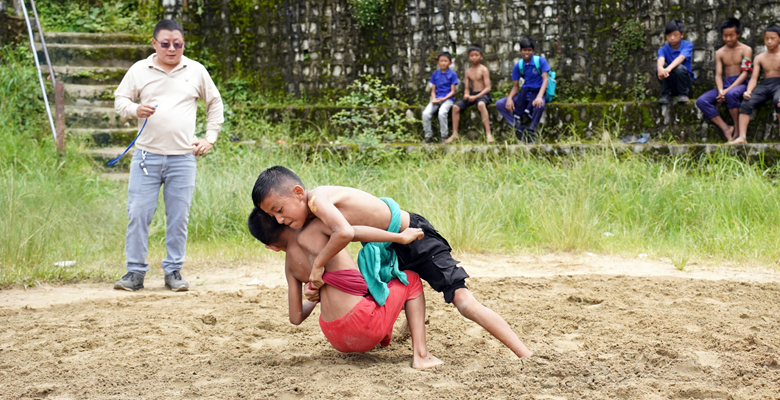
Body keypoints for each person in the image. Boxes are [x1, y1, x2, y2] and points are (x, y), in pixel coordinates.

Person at [252, 166, 533, 359]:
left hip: (414, 237)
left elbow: (346, 232)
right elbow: (355, 234)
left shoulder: (317, 200)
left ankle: (524, 353)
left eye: (279, 210)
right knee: (396, 289)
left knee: (463, 301)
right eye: (273, 216)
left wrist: (317, 268)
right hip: (389, 244)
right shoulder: (308, 220)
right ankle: (407, 343)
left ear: (299, 193)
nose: (279, 219)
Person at [247, 208, 444, 369]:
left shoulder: (290, 267)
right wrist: (399, 237)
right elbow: (353, 232)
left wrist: (313, 299)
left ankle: (386, 334)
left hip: (336, 337)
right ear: (283, 220)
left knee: (380, 293)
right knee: (411, 280)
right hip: (362, 326)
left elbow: (295, 317)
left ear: (271, 247)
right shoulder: (316, 229)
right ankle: (421, 355)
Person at [113, 19, 224, 291]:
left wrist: (210, 138)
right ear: (154, 44)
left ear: (183, 44)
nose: (172, 49)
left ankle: (173, 272)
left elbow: (214, 103)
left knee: (178, 217)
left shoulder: (195, 70)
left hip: (183, 159)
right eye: (165, 44)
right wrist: (135, 109)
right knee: (138, 213)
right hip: (146, 157)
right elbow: (120, 100)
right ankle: (135, 273)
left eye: (178, 44)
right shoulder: (140, 69)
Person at [695, 18, 752, 142]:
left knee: (731, 94)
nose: (728, 39)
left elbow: (745, 73)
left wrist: (727, 91)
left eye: (731, 35)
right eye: (725, 36)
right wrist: (721, 90)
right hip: (725, 84)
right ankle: (726, 128)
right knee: (701, 101)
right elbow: (718, 75)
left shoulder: (746, 49)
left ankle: (738, 130)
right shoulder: (719, 53)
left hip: (741, 83)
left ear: (738, 34)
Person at [495, 37, 550, 144]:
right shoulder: (519, 65)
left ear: (533, 51)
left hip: (538, 92)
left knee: (540, 105)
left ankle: (532, 130)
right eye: (524, 50)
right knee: (500, 103)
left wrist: (539, 97)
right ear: (520, 51)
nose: (526, 52)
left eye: (529, 50)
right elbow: (515, 86)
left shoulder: (540, 61)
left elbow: (545, 80)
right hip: (524, 93)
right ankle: (518, 127)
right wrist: (510, 98)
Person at [733, 25, 780, 144]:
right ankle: (742, 137)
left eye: (772, 38)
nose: (769, 41)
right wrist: (748, 91)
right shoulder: (759, 57)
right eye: (766, 38)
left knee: (778, 101)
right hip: (765, 84)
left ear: (779, 39)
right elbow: (754, 78)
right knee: (746, 103)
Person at [447, 45, 493, 144]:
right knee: (455, 107)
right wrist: (466, 95)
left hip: (483, 94)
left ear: (481, 56)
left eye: (476, 55)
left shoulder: (484, 69)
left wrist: (476, 96)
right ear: (469, 57)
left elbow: (488, 88)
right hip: (473, 95)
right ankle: (454, 134)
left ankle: (488, 134)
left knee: (481, 104)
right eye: (472, 55)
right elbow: (467, 89)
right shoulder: (468, 72)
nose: (474, 57)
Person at [655, 20, 696, 104]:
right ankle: (666, 94)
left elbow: (681, 58)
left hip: (685, 82)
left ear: (682, 35)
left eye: (675, 34)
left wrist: (668, 69)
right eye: (669, 35)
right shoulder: (663, 49)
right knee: (659, 67)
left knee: (679, 68)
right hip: (671, 81)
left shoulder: (687, 45)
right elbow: (661, 59)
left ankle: (683, 94)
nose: (672, 38)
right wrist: (660, 69)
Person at [421, 52, 458, 144]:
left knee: (442, 113)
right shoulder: (435, 74)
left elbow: (453, 91)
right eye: (441, 61)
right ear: (438, 62)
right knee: (425, 113)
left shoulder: (452, 74)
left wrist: (444, 98)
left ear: (450, 63)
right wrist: (433, 98)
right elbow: (433, 90)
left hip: (448, 99)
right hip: (436, 99)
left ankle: (444, 137)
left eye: (445, 61)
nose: (443, 63)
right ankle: (428, 137)